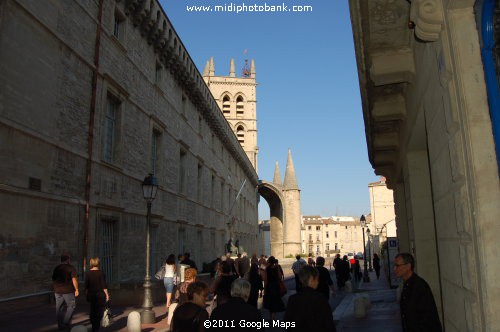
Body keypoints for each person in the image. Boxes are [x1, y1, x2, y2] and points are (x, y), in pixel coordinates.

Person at [394, 252, 442, 332]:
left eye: (397, 266)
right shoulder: (407, 285)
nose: (394, 269)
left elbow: (427, 318)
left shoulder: (419, 286)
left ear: (408, 266)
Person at [284, 265, 336, 331]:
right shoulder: (320, 298)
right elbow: (328, 323)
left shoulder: (292, 299)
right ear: (311, 279)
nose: (318, 282)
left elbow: (287, 322)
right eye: (317, 279)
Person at [52, 253, 79, 331]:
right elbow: (74, 279)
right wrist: (76, 289)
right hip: (68, 291)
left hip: (57, 291)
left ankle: (60, 326)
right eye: (69, 259)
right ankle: (66, 322)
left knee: (59, 308)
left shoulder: (56, 268)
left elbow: (53, 279)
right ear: (68, 260)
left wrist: (55, 288)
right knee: (71, 306)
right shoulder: (71, 268)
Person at [85, 257, 110, 332]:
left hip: (92, 295)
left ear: (91, 263)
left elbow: (86, 286)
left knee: (93, 310)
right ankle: (96, 327)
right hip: (100, 295)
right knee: (99, 311)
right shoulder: (101, 273)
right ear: (98, 263)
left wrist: (86, 294)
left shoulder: (88, 273)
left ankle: (94, 326)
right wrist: (107, 295)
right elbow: (103, 285)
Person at [262, 256, 285, 320]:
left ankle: (271, 315)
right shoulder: (276, 267)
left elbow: (265, 279)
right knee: (275, 301)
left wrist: (265, 289)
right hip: (276, 286)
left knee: (270, 301)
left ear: (269, 261)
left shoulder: (266, 268)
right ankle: (273, 316)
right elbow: (280, 277)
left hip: (269, 286)